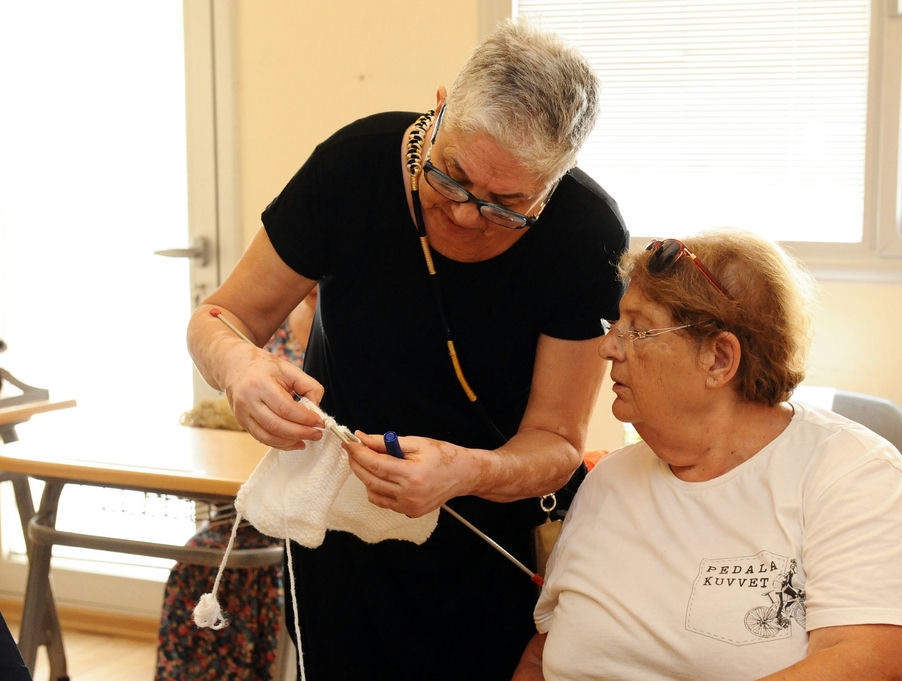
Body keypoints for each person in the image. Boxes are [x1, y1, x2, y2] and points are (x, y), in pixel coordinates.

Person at [185, 20, 628, 681]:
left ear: (556, 181)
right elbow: (219, 317)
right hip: (343, 530)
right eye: (452, 177)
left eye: (508, 205)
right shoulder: (354, 169)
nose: (467, 215)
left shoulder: (583, 234)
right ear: (442, 105)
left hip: (492, 542)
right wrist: (239, 365)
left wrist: (464, 470)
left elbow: (558, 442)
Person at [513, 230, 902, 680]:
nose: (608, 347)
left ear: (720, 359)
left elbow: (880, 667)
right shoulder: (609, 481)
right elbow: (545, 654)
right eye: (617, 326)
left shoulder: (855, 474)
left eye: (639, 329)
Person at [157, 287, 317, 680]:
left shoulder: (355, 336)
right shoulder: (266, 337)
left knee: (263, 565)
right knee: (202, 557)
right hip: (256, 500)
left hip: (313, 510)